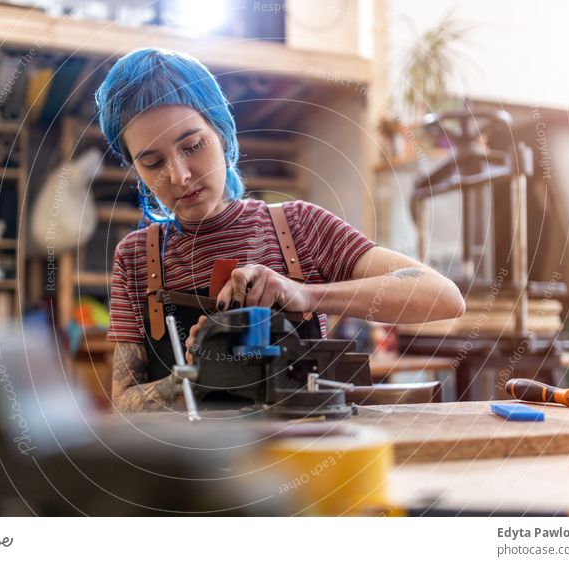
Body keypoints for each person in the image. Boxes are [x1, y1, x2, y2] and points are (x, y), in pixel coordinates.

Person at [96, 48, 465, 412]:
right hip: (196, 469)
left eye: (193, 145)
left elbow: (444, 296)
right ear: (137, 171)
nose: (179, 175)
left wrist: (305, 294)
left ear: (222, 132)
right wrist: (195, 376)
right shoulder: (136, 257)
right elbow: (124, 401)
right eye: (153, 161)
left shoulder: (299, 227)